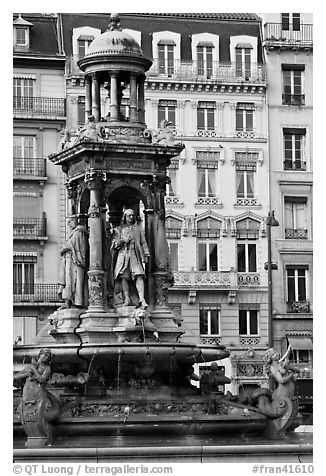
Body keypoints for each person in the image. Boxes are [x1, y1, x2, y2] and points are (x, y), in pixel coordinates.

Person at [111, 209, 150, 308]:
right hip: (123, 255)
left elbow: (143, 242)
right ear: (125, 217)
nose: (132, 217)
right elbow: (114, 243)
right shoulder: (119, 229)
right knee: (124, 277)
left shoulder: (138, 229)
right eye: (129, 215)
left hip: (135, 255)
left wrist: (146, 254)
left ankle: (142, 299)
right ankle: (127, 298)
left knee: (139, 275)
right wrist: (122, 241)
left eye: (133, 215)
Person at [58, 219, 89, 308]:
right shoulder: (75, 233)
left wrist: (63, 249)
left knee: (74, 282)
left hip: (75, 261)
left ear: (75, 221)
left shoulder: (79, 232)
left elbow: (70, 245)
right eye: (68, 223)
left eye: (70, 222)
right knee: (69, 282)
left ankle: (76, 302)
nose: (69, 225)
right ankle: (68, 302)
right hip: (71, 260)